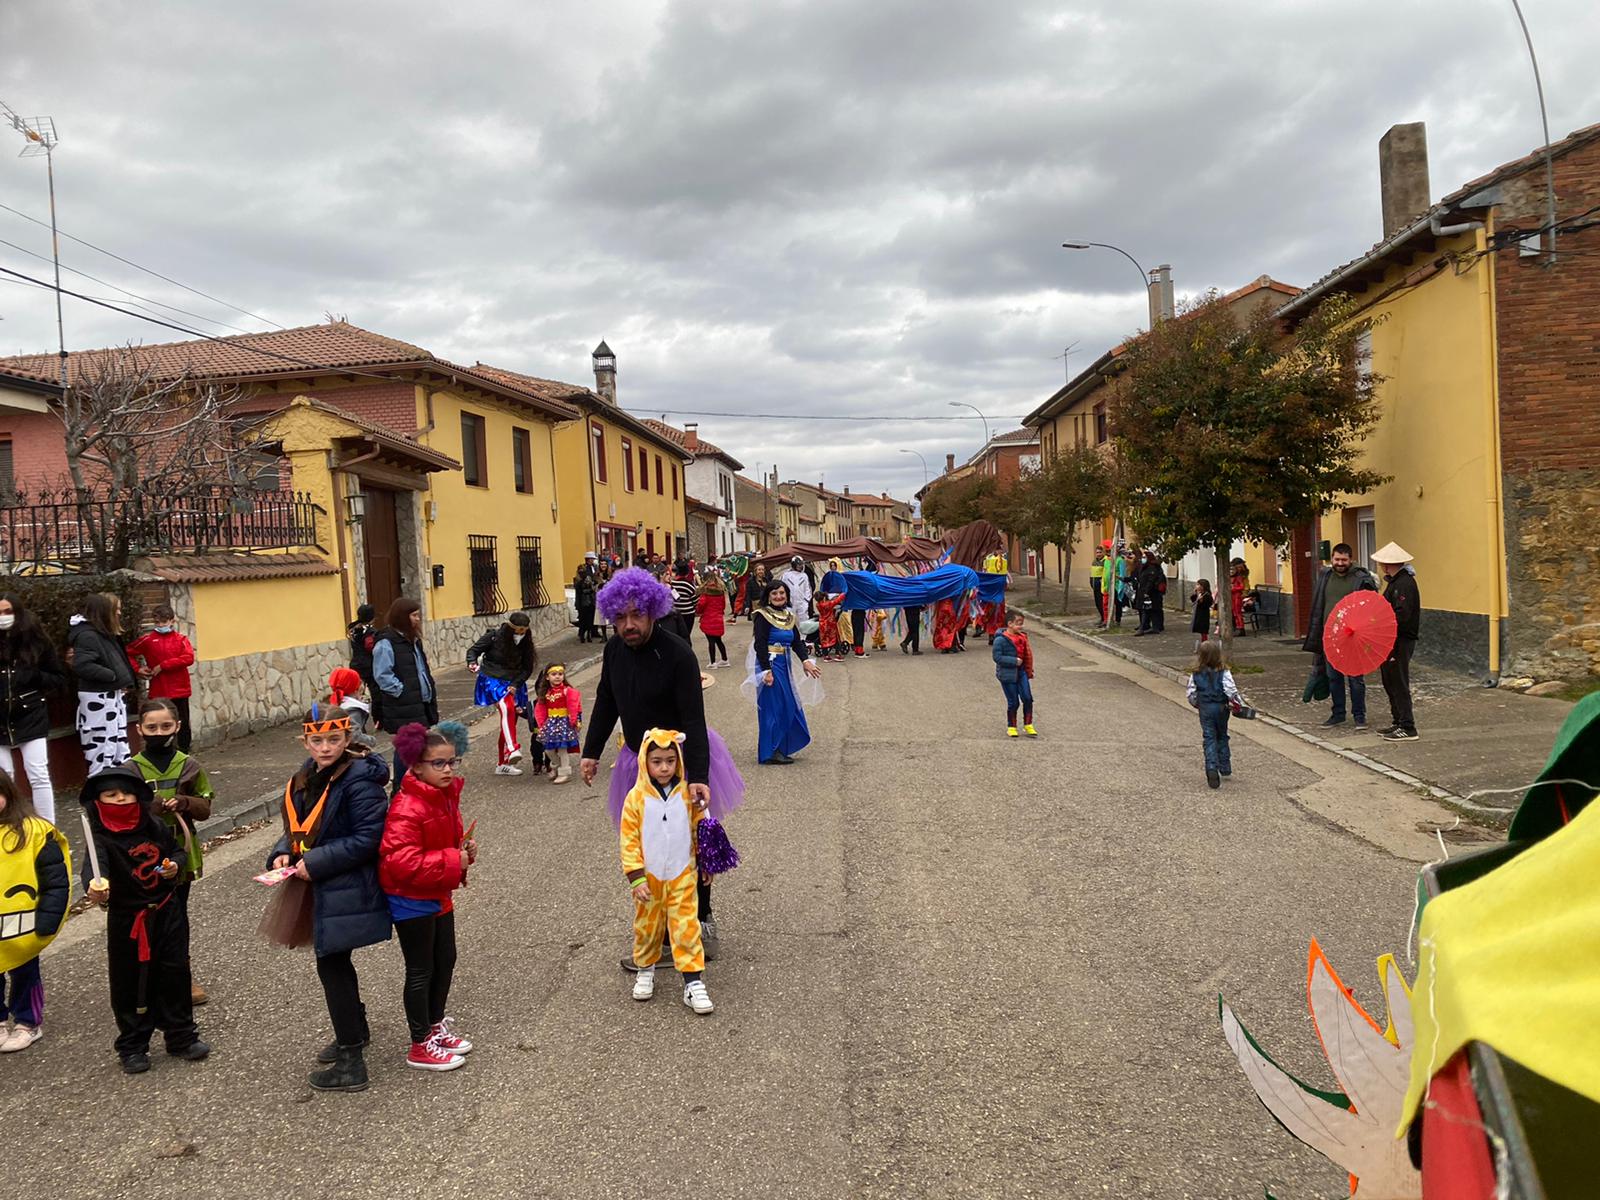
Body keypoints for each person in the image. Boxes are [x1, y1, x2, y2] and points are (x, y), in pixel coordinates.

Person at [581, 567, 746, 965]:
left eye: (637, 615)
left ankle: (700, 919)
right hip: (638, 761)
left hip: (681, 758)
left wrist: (699, 777)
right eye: (619, 617)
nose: (628, 625)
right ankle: (660, 926)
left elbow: (694, 719)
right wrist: (590, 751)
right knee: (649, 844)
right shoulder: (614, 650)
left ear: (653, 611)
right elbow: (606, 700)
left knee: (691, 843)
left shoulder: (678, 654)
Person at [268, 702, 391, 1092]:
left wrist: (317, 861)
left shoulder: (359, 780)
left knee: (332, 964)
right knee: (332, 961)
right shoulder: (306, 776)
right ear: (305, 742)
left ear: (348, 738)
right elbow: (298, 826)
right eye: (317, 740)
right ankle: (354, 1029)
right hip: (317, 879)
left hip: (345, 882)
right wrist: (282, 852)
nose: (325, 748)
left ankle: (351, 1059)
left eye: (334, 739)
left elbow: (369, 839)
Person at [81, 764, 210, 1073]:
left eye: (126, 793)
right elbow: (94, 872)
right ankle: (133, 1044)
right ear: (99, 801)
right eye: (112, 795)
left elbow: (176, 852)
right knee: (130, 980)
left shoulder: (151, 824)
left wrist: (174, 867)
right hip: (129, 919)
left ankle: (180, 1035)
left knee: (174, 973)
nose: (121, 799)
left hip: (166, 909)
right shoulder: (99, 837)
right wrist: (97, 890)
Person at [380, 723, 476, 1072]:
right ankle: (419, 1043)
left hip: (436, 891)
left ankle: (435, 1027)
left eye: (452, 761)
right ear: (415, 766)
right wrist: (453, 860)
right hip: (409, 897)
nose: (448, 769)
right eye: (439, 763)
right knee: (421, 969)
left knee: (446, 959)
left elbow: (439, 847)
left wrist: (463, 851)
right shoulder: (407, 806)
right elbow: (399, 860)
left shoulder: (445, 796)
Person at [127, 698, 214, 1007]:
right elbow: (122, 810)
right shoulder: (130, 769)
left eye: (165, 726)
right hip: (142, 855)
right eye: (152, 727)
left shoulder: (190, 765)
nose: (159, 731)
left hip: (181, 851)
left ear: (177, 726)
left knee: (178, 913)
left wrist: (184, 802)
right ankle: (149, 977)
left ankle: (182, 975)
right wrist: (151, 806)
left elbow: (205, 807)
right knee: (148, 915)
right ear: (140, 730)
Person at [621, 729, 713, 1015]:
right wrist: (635, 876)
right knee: (648, 926)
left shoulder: (687, 795)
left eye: (670, 761)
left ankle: (692, 982)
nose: (664, 767)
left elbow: (700, 828)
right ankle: (645, 969)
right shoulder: (635, 799)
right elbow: (629, 840)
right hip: (648, 879)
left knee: (687, 926)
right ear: (644, 763)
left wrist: (706, 860)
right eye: (657, 761)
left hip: (681, 874)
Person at [0, 767, 69, 1054]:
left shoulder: (35, 832)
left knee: (25, 973)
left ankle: (28, 1022)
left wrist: (48, 920)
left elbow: (55, 879)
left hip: (23, 925)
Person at [0, 594, 66, 824]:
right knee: (4, 777)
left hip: (30, 714)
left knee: (38, 773)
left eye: (8, 612)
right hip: (0, 721)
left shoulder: (35, 640)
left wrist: (33, 676)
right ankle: (8, 826)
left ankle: (48, 827)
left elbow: (58, 678)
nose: (3, 618)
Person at [1300, 543, 1379, 731]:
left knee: (1355, 679)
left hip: (1353, 637)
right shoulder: (1325, 576)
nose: (1340, 563)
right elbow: (1319, 604)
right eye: (1337, 559)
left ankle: (1359, 716)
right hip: (1330, 637)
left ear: (1350, 559)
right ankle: (1338, 715)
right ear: (1332, 559)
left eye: (1344, 560)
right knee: (1333, 677)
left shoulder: (1361, 579)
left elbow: (1370, 606)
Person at [745, 580, 824, 765]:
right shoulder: (762, 616)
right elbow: (760, 645)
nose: (779, 596)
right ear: (768, 596)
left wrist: (805, 661)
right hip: (770, 666)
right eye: (774, 594)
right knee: (773, 707)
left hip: (784, 666)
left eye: (781, 593)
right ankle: (770, 751)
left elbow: (796, 641)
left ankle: (781, 747)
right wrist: (766, 670)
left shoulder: (788, 615)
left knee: (788, 704)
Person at [69, 593, 138, 778]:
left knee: (117, 746)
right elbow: (83, 665)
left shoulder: (102, 634)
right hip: (99, 701)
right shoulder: (88, 635)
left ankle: (121, 782)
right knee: (102, 751)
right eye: (116, 609)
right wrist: (113, 677)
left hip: (110, 698)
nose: (119, 613)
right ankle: (102, 788)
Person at [373, 597, 438, 792]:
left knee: (418, 746)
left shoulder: (412, 640)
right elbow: (382, 675)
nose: (417, 619)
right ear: (403, 617)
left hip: (420, 703)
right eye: (414, 615)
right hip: (403, 705)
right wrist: (401, 691)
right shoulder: (386, 642)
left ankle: (415, 785)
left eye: (418, 615)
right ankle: (401, 789)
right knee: (406, 748)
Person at [467, 611, 536, 776]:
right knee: (507, 708)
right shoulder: (493, 637)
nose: (520, 634)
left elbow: (527, 668)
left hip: (514, 682)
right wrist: (471, 662)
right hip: (492, 679)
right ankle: (513, 749)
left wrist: (515, 684)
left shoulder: (526, 644)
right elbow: (473, 651)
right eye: (517, 630)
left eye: (523, 631)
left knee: (511, 720)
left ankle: (502, 764)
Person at [127, 606, 197, 751]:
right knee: (159, 721)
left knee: (182, 723)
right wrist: (137, 669)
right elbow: (128, 652)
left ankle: (184, 751)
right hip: (159, 690)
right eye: (157, 622)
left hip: (180, 689)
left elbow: (188, 658)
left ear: (172, 621)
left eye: (164, 622)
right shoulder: (148, 639)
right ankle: (159, 749)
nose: (160, 626)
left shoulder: (180, 639)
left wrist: (163, 665)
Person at [1373, 543, 1421, 742]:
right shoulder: (1395, 582)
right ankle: (1398, 721)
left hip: (1400, 639)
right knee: (1390, 679)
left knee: (1398, 681)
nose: (1382, 566)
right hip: (1391, 638)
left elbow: (1401, 614)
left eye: (1384, 563)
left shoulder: (1404, 584)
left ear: (1389, 563)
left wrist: (1381, 622)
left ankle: (1408, 726)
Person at [1186, 640, 1246, 789]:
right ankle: (1224, 765)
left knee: (1209, 737)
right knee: (1222, 735)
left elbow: (1191, 693)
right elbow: (1230, 690)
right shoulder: (1224, 671)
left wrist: (1196, 703)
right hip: (1221, 707)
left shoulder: (1196, 673)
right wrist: (1237, 703)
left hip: (1205, 708)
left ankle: (1211, 766)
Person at [532, 664, 583, 784]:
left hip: (564, 722)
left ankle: (565, 773)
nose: (557, 677)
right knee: (548, 749)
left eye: (560, 674)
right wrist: (541, 724)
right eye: (554, 674)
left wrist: (577, 720)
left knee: (562, 749)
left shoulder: (567, 691)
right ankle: (556, 765)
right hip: (550, 723)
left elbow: (576, 706)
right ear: (547, 677)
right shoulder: (545, 693)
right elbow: (540, 710)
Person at [992, 611, 1038, 738]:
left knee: (1028, 697)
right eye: (1018, 624)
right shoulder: (1000, 640)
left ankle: (1028, 724)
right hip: (1007, 674)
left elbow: (1028, 655)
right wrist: (1013, 661)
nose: (1021, 627)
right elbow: (997, 657)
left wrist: (1029, 670)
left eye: (1022, 624)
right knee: (1013, 702)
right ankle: (1011, 726)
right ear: (1010, 624)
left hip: (1022, 672)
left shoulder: (1022, 637)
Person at [328, 667, 377, 750]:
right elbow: (354, 736)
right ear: (356, 689)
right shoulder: (352, 710)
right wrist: (371, 740)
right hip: (352, 753)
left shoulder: (337, 705)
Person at [697, 571, 729, 668]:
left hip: (708, 618)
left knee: (711, 641)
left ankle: (713, 662)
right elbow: (723, 605)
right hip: (718, 618)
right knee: (718, 640)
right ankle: (725, 659)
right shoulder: (720, 590)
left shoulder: (706, 591)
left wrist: (698, 611)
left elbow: (701, 605)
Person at [575, 554, 602, 643]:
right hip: (583, 601)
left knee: (590, 619)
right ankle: (582, 634)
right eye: (591, 559)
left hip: (590, 601)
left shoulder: (593, 569)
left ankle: (591, 633)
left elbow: (593, 583)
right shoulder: (579, 580)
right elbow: (579, 592)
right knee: (583, 619)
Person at [778, 556, 813, 626]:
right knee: (788, 621)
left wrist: (806, 601)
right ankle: (789, 636)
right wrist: (784, 600)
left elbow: (808, 589)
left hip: (801, 602)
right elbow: (781, 587)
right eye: (799, 564)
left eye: (801, 564)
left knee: (804, 622)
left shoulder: (804, 576)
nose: (800, 566)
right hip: (790, 602)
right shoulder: (786, 575)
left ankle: (804, 637)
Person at [670, 561, 698, 642]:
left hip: (676, 613)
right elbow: (695, 600)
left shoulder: (672, 583)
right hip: (688, 614)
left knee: (678, 634)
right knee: (686, 634)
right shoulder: (689, 584)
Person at [1190, 580, 1215, 652]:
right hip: (1198, 614)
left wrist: (1202, 601)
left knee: (1203, 630)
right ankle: (1203, 644)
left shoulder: (1206, 595)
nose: (1196, 586)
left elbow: (1208, 603)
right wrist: (1195, 593)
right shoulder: (1199, 593)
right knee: (1200, 629)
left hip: (1204, 614)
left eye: (1198, 585)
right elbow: (1193, 599)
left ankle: (1205, 645)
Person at [1229, 559, 1251, 637]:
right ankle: (1234, 627)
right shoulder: (1232, 576)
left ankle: (1240, 628)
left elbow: (1242, 586)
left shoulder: (1240, 576)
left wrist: (1233, 589)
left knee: (1237, 612)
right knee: (1233, 612)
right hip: (1233, 596)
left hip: (1238, 596)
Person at [1090, 545, 1107, 625]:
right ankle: (1102, 618)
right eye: (1097, 552)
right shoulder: (1094, 562)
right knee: (1097, 604)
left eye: (1100, 552)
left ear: (1103, 552)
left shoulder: (1105, 561)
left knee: (1102, 603)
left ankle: (1105, 619)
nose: (1098, 554)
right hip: (1095, 585)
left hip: (1102, 585)